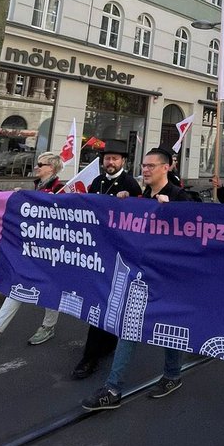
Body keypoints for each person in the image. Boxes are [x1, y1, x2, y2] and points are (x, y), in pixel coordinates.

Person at [83, 148, 192, 409]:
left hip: (168, 276)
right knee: (128, 327)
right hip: (142, 274)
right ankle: (113, 388)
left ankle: (173, 374)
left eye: (151, 166)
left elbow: (193, 234)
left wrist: (173, 213)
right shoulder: (141, 197)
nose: (145, 170)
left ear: (166, 168)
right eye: (143, 166)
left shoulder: (180, 197)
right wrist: (123, 203)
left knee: (168, 329)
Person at [0, 154, 66, 349]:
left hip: (50, 250)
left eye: (40, 165)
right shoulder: (40, 186)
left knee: (50, 288)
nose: (36, 167)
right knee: (24, 286)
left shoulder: (59, 189)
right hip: (33, 247)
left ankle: (45, 326)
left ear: (51, 168)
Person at [71, 140, 142, 380]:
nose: (110, 163)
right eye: (107, 159)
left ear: (123, 161)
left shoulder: (130, 184)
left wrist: (129, 200)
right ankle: (96, 350)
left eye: (115, 159)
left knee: (107, 301)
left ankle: (91, 355)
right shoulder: (98, 182)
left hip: (120, 254)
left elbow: (140, 216)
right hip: (99, 251)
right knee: (99, 300)